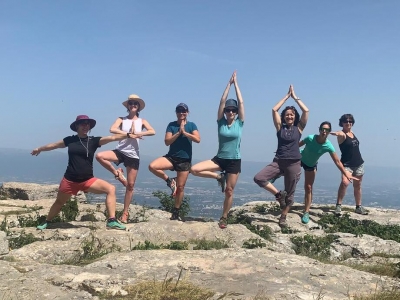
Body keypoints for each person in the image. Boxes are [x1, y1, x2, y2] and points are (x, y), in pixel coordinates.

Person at [31, 115, 129, 230]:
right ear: (76, 126)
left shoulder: (93, 141)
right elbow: (53, 145)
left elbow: (112, 138)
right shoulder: (70, 140)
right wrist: (39, 149)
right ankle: (47, 222)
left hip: (87, 180)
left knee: (111, 189)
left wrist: (128, 135)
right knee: (59, 202)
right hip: (70, 180)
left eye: (87, 124)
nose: (85, 126)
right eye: (82, 123)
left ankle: (111, 221)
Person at [191, 71, 244, 229]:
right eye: (228, 110)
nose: (231, 112)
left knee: (229, 190)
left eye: (233, 110)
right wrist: (229, 84)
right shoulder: (220, 122)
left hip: (234, 160)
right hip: (220, 158)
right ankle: (218, 177)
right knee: (194, 169)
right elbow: (221, 101)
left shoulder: (239, 123)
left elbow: (241, 103)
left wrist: (237, 85)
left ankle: (224, 217)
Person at [253, 85, 308, 228]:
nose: (289, 116)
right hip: (278, 161)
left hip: (294, 163)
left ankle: (283, 216)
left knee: (290, 193)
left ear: (295, 117)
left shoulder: (299, 129)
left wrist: (295, 97)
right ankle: (278, 195)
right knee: (259, 177)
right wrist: (286, 97)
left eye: (292, 114)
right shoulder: (280, 128)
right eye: (287, 114)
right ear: (284, 117)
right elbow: (274, 110)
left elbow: (306, 111)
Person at [96, 94, 155, 223]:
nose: (133, 105)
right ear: (127, 106)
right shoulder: (121, 119)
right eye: (131, 103)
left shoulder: (142, 121)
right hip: (120, 150)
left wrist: (138, 134)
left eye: (135, 103)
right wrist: (128, 134)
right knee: (100, 156)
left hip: (133, 154)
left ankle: (125, 213)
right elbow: (112, 129)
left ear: (138, 106)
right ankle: (117, 173)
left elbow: (152, 131)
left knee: (131, 185)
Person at [148, 103, 200, 221]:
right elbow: (167, 141)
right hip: (171, 157)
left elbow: (198, 139)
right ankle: (169, 180)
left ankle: (176, 211)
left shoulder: (192, 125)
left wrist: (185, 133)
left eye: (184, 111)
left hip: (184, 159)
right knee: (153, 166)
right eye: (179, 110)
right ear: (176, 112)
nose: (181, 113)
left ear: (187, 112)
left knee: (181, 187)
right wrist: (178, 133)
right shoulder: (171, 125)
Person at [299, 121, 358, 224]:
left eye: (326, 130)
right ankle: (274, 175)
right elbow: (296, 146)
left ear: (329, 132)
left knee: (308, 187)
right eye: (322, 129)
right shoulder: (310, 138)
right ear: (319, 129)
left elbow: (337, 161)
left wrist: (345, 173)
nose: (324, 131)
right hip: (299, 158)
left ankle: (306, 212)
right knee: (286, 171)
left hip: (311, 165)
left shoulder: (328, 145)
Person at [330, 114, 367, 215]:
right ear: (342, 123)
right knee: (345, 183)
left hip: (359, 163)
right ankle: (338, 205)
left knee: (358, 185)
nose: (348, 123)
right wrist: (329, 132)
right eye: (346, 121)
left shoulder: (352, 133)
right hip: (347, 165)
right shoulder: (342, 134)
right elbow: (338, 133)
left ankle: (358, 207)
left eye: (350, 121)